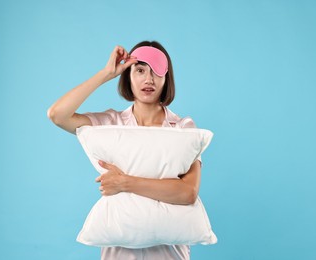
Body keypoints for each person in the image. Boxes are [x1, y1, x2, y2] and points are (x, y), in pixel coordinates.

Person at [47, 41, 201, 259]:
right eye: (140, 70)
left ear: (167, 78)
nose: (148, 79)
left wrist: (125, 183)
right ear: (128, 76)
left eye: (156, 72)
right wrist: (106, 73)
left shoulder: (183, 128)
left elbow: (188, 193)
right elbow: (57, 115)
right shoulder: (110, 124)